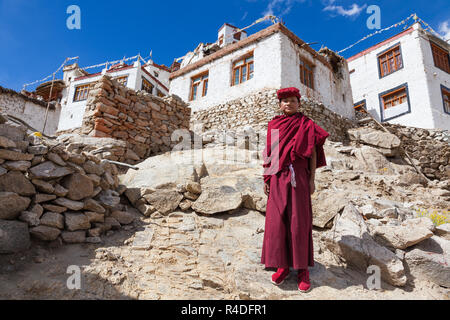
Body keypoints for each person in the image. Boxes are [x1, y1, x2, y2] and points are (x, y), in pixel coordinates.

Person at [260, 87, 330, 293]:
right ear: (279, 105)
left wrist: (312, 178)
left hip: (299, 176)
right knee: (278, 220)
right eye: (284, 101)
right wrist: (267, 177)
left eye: (292, 100)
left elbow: (314, 154)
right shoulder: (274, 124)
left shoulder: (307, 124)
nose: (288, 104)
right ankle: (282, 266)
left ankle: (302, 270)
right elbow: (270, 151)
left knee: (299, 221)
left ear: (299, 103)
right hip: (278, 176)